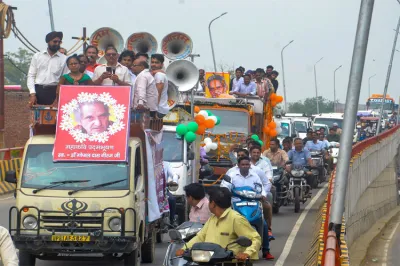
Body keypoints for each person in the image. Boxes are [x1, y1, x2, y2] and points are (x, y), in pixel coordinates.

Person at [176, 186, 262, 261]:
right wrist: (184, 248)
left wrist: (247, 253)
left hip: (228, 263)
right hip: (207, 261)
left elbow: (255, 238)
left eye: (209, 201)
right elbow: (200, 237)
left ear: (213, 204)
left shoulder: (236, 219)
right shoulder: (212, 218)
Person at [221, 157, 274, 260]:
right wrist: (228, 193)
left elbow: (261, 188)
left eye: (247, 164)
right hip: (236, 203)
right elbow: (225, 186)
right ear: (238, 165)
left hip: (253, 202)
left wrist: (263, 195)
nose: (245, 166)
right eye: (243, 164)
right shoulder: (232, 175)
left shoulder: (255, 176)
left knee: (263, 224)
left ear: (250, 165)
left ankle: (266, 251)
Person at [27, 31, 67, 106]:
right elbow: (31, 75)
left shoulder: (64, 59)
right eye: (55, 41)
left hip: (54, 91)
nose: (57, 44)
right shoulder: (37, 56)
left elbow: (64, 79)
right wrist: (32, 94)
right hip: (38, 91)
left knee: (53, 116)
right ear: (48, 41)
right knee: (36, 117)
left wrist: (58, 96)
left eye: (59, 42)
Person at [249, 146, 275, 241]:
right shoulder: (235, 169)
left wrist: (263, 193)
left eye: (257, 152)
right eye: (253, 152)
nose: (255, 154)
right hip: (243, 195)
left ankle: (268, 229)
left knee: (267, 204)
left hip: (259, 193)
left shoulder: (262, 165)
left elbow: (268, 180)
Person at [150, 54, 169, 118]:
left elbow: (157, 94)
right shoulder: (156, 73)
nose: (154, 64)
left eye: (157, 62)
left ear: (162, 64)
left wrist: (154, 111)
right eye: (152, 62)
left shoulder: (159, 75)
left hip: (158, 109)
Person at [164, 161, 178, 226]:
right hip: (150, 191)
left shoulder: (165, 164)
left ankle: (172, 219)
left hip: (163, 190)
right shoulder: (148, 163)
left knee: (172, 199)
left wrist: (174, 181)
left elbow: (174, 174)